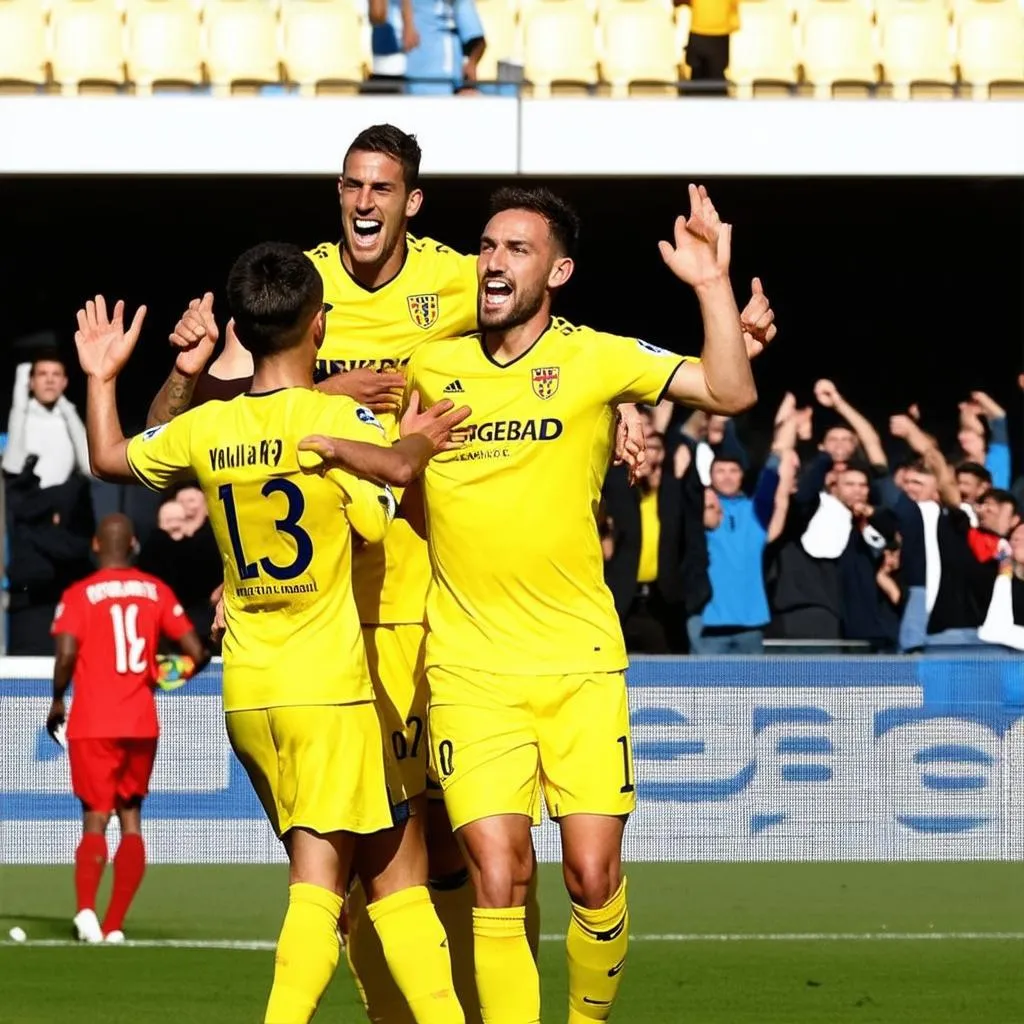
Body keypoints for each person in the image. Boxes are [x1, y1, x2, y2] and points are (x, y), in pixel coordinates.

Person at [314, 183, 776, 1022]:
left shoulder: (597, 359)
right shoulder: (435, 365)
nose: (494, 260)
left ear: (558, 270)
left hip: (579, 664)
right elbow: (367, 458)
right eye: (488, 246)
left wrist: (712, 287)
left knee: (592, 878)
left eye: (517, 249)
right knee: (501, 873)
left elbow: (730, 390)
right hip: (466, 668)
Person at [73, 242, 471, 1024]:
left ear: (243, 333)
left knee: (393, 878)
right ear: (319, 325)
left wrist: (101, 376)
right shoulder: (337, 417)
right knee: (321, 892)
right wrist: (412, 444)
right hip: (328, 690)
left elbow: (109, 456)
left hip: (250, 692)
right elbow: (378, 504)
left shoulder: (212, 430)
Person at [45, 513, 210, 944]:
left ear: (96, 545)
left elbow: (65, 656)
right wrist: (165, 675)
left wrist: (58, 699)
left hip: (94, 722)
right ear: (134, 544)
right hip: (140, 721)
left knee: (95, 820)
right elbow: (198, 651)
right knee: (131, 819)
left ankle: (86, 913)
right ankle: (115, 925)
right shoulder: (155, 591)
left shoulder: (79, 595)